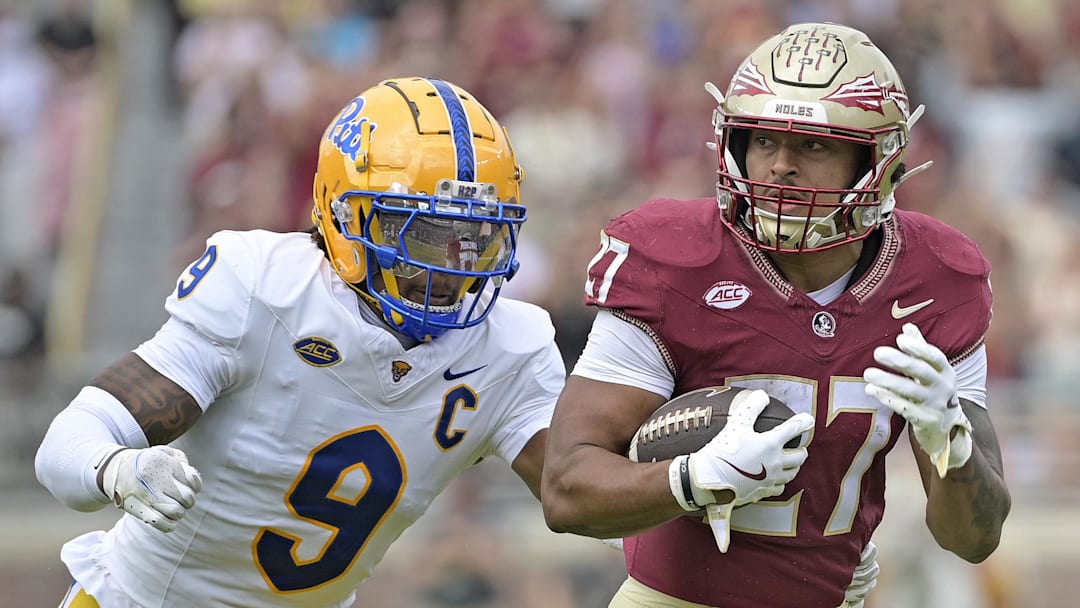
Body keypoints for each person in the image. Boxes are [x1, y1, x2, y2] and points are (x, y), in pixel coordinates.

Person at [35, 76, 565, 608]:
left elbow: (579, 493)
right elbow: (66, 446)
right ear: (344, 214)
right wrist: (120, 470)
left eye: (474, 239)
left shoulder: (511, 348)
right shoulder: (265, 290)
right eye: (423, 232)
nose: (449, 266)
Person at [540, 22, 1011, 608]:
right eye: (762, 140)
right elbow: (565, 489)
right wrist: (694, 479)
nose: (779, 166)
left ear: (879, 160)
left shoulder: (937, 278)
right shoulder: (674, 260)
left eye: (813, 144)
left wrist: (952, 442)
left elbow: (975, 538)